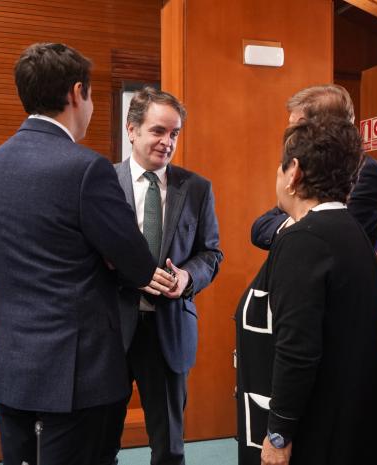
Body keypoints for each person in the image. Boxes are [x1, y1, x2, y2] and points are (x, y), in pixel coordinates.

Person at [0, 43, 156, 465]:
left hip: (12, 366)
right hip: (79, 376)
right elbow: (137, 264)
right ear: (78, 93)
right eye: (92, 95)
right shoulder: (85, 168)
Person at [236, 116, 377, 465]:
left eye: (280, 168)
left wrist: (278, 433)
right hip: (347, 418)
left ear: (293, 172)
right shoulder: (351, 231)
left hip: (316, 428)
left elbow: (298, 347)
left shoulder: (303, 240)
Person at [103, 86, 223, 465]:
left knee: (170, 448)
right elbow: (87, 253)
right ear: (132, 130)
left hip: (169, 331)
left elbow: (212, 254)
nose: (167, 142)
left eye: (174, 134)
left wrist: (188, 278)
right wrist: (130, 273)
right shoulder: (101, 183)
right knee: (101, 442)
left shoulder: (197, 188)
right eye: (158, 131)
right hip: (110, 331)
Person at [250, 84, 377, 252]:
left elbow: (324, 238)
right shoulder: (309, 168)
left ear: (322, 129)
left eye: (297, 126)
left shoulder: (367, 173)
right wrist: (298, 220)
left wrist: (295, 218)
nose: (288, 133)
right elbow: (260, 228)